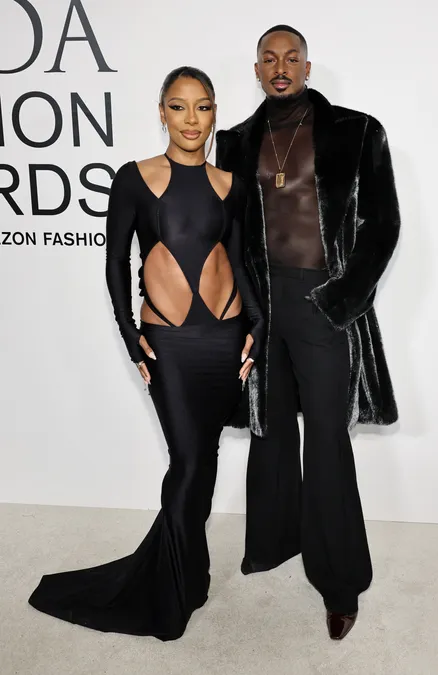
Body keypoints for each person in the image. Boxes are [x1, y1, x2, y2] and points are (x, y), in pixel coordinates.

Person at [28, 66, 264, 641]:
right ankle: (169, 590)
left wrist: (260, 323)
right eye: (179, 107)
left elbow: (239, 260)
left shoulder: (232, 184)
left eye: (202, 107)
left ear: (214, 113)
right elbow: (116, 260)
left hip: (226, 337)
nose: (191, 119)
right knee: (187, 462)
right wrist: (128, 329)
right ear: (162, 113)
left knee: (203, 459)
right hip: (169, 342)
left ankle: (191, 572)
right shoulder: (133, 178)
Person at [216, 25, 400, 640]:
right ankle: (273, 543)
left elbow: (383, 224)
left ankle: (339, 582)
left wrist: (341, 300)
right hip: (262, 306)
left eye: (291, 58)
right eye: (269, 59)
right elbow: (227, 233)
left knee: (325, 440)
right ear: (257, 69)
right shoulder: (234, 142)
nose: (281, 67)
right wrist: (236, 309)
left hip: (323, 303)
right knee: (269, 430)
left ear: (307, 66)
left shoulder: (357, 131)